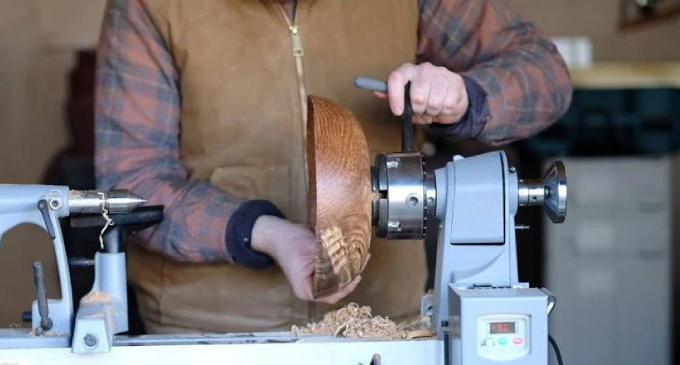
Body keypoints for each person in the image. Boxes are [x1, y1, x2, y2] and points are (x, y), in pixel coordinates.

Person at [95, 0, 572, 334]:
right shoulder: (150, 6)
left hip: (382, 327)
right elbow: (131, 185)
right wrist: (262, 231)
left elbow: (544, 74)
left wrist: (466, 94)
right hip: (210, 330)